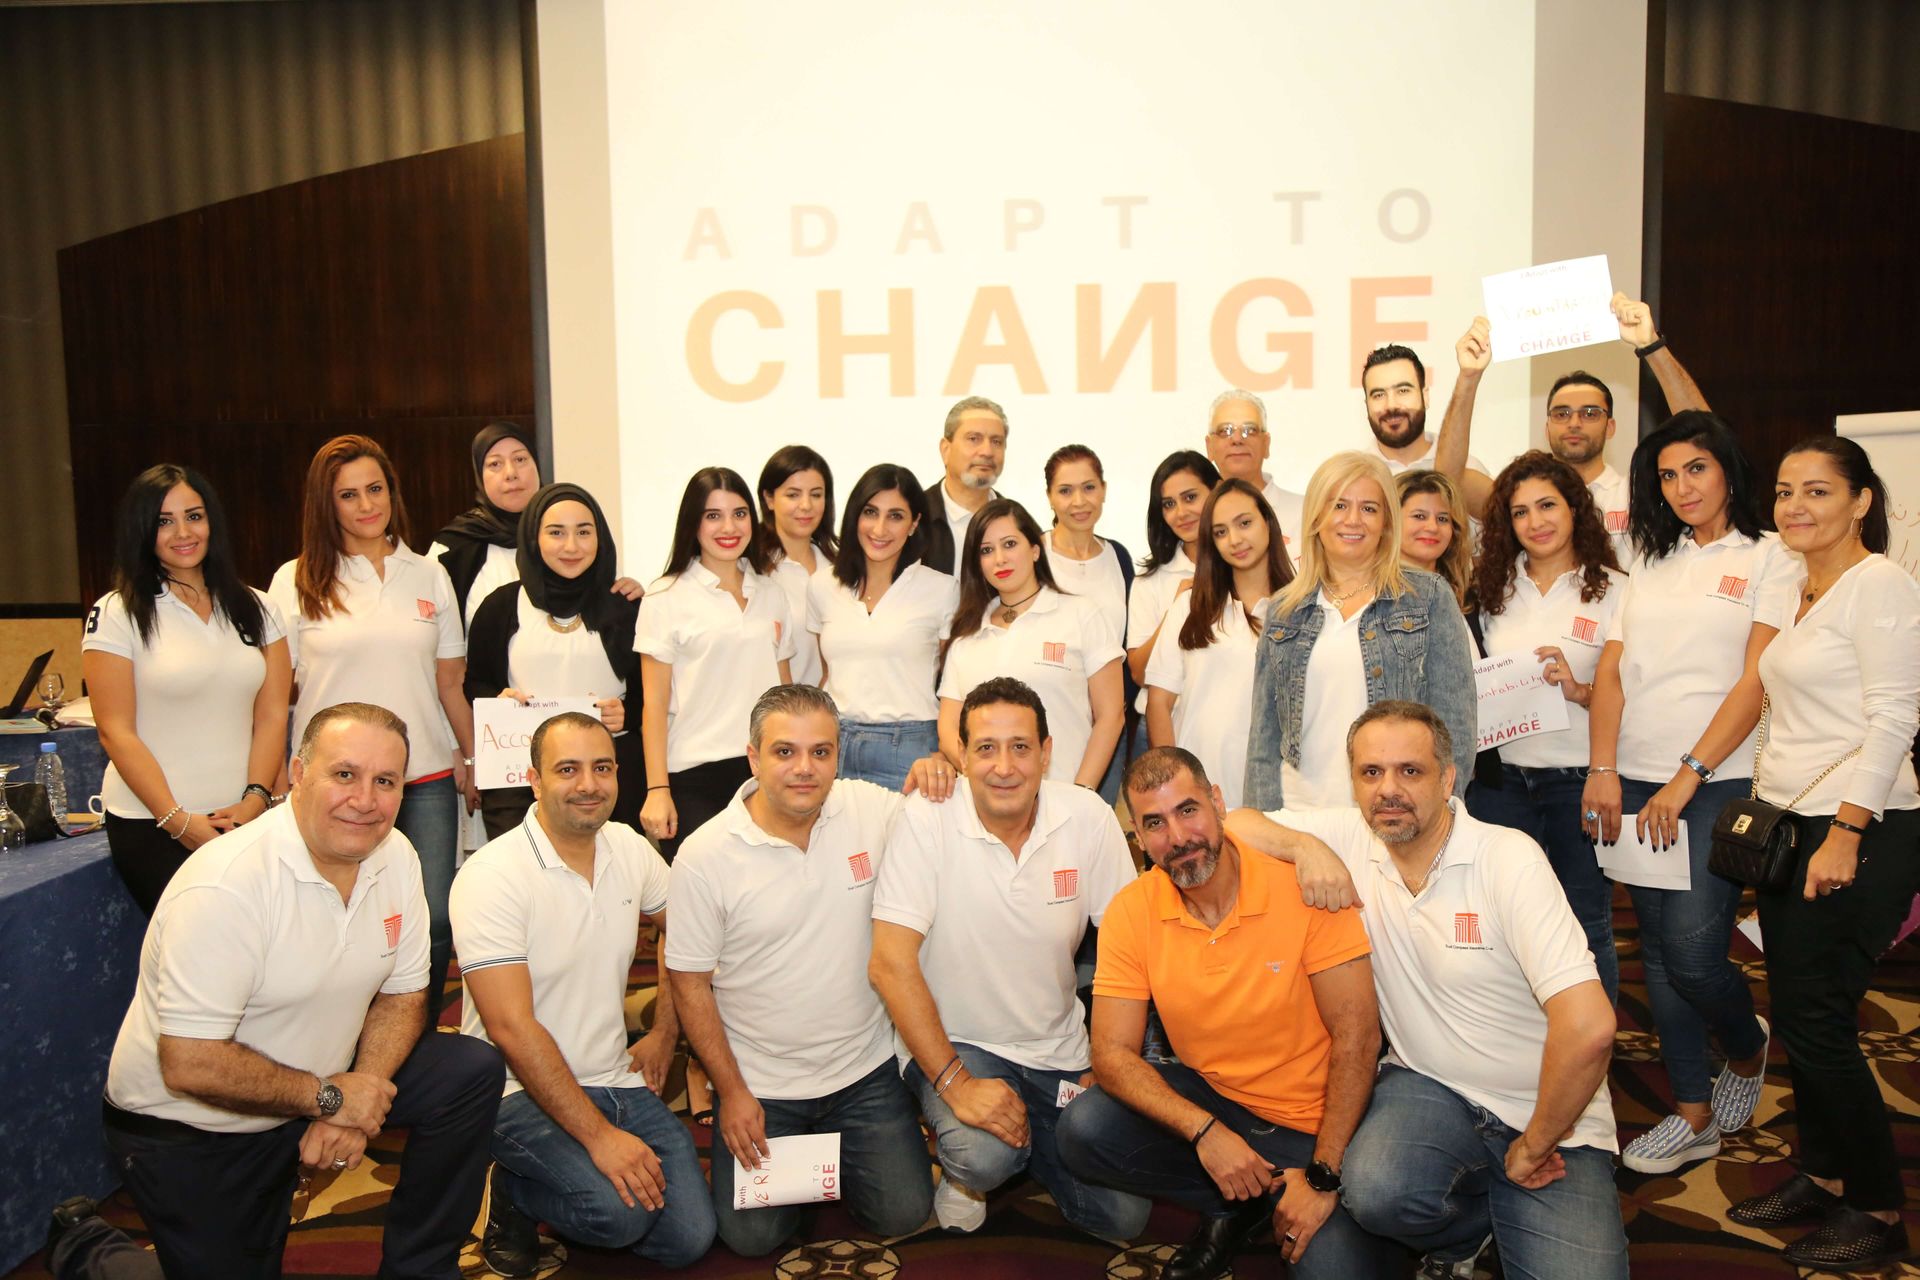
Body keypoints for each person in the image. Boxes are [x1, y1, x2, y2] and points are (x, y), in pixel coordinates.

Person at [79, 703, 504, 1280]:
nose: (365, 800)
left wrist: (358, 1095)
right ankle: (87, 1248)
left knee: (467, 1070)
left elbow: (404, 996)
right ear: (298, 775)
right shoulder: (226, 886)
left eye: (386, 781)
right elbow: (189, 1063)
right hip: (195, 1126)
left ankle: (422, 1269)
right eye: (344, 774)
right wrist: (329, 1099)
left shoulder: (395, 856)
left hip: (318, 1081)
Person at [1227, 701, 1628, 1279]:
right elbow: (1235, 823)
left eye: (1410, 772)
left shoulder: (1506, 858)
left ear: (1446, 778)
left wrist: (1537, 1143)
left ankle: (1507, 1194)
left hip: (1552, 1117)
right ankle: (1469, 1231)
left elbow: (1591, 1028)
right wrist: (1305, 848)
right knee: (1375, 1186)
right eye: (1371, 773)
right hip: (1431, 1093)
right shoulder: (1349, 836)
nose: (1389, 790)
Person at [1057, 748, 1394, 1280]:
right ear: (1139, 840)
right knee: (1084, 1126)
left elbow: (1358, 1038)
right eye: (1154, 823)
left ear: (1217, 803)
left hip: (1315, 1125)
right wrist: (1205, 1132)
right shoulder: (1131, 910)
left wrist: (1324, 1175)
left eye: (1188, 810)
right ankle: (1237, 1201)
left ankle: (1270, 1197)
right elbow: (1111, 1053)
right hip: (1217, 1103)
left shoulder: (1302, 886)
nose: (1177, 836)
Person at [1581, 410, 1797, 1174]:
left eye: (1695, 469)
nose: (1681, 487)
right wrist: (1603, 766)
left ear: (1728, 470)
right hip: (1634, 776)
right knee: (1662, 962)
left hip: (1718, 779)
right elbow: (1610, 671)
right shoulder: (1643, 557)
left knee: (1697, 953)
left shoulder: (1773, 557)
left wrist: (1686, 778)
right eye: (1667, 475)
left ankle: (1744, 1050)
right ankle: (1692, 1111)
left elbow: (1754, 682)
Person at [1725, 437, 1920, 1271]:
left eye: (1818, 491)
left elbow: (1894, 719)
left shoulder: (1879, 586)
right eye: (1783, 492)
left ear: (1861, 500)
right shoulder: (1805, 584)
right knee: (1806, 1017)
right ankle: (1823, 1170)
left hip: (1857, 833)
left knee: (1821, 1024)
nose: (1796, 506)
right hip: (1795, 827)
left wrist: (1844, 833)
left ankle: (1878, 1205)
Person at [870, 677, 1149, 1240]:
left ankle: (1030, 1141)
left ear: (1047, 754)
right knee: (981, 1154)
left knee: (1125, 1218)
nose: (1004, 766)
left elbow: (1130, 951)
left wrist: (1109, 1058)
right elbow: (889, 964)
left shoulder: (1087, 817)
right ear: (962, 755)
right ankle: (975, 1163)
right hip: (960, 1043)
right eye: (986, 748)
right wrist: (956, 1083)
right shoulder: (925, 817)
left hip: (1058, 1047)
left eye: (1021, 747)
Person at [667, 685, 936, 1257]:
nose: (804, 769)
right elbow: (689, 983)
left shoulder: (867, 809)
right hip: (763, 1087)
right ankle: (809, 1157)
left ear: (839, 755)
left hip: (864, 1073)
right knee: (751, 1240)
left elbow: (943, 817)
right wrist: (733, 1092)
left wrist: (940, 770)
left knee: (906, 1212)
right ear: (753, 758)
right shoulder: (705, 854)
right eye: (784, 752)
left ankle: (828, 1157)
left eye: (821, 752)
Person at [451, 711, 713, 1277]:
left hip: (613, 1075)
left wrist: (665, 1032)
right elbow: (511, 1029)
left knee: (689, 1237)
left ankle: (559, 1181)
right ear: (535, 781)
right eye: (567, 769)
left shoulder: (627, 847)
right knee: (615, 1216)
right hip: (511, 1089)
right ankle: (513, 1196)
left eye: (602, 768)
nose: (589, 785)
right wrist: (599, 1139)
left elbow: (689, 937)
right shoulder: (492, 874)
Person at [268, 434, 476, 1019]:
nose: (366, 505)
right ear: (325, 504)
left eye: (375, 489)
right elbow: (273, 694)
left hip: (426, 776)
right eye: (349, 495)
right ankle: (339, 1045)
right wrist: (269, 780)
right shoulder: (296, 579)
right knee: (338, 922)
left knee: (432, 922)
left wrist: (474, 759)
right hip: (333, 782)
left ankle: (414, 1048)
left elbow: (449, 683)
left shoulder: (429, 575)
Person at [84, 464, 291, 915]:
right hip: (152, 826)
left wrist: (255, 800)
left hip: (245, 821)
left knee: (258, 963)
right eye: (164, 520)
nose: (183, 532)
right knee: (196, 962)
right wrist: (177, 822)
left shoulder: (258, 607)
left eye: (194, 516)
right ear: (143, 529)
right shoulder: (117, 612)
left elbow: (273, 714)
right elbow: (115, 731)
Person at [1465, 452, 1627, 1004]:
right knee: (1507, 927)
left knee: (1586, 923)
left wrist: (1578, 690)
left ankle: (1593, 1061)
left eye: (1547, 506)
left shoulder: (1615, 591)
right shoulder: (1490, 591)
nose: (1535, 522)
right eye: (1519, 512)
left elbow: (1623, 692)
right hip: (1501, 785)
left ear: (1575, 508)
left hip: (1577, 780)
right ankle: (1529, 1051)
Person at [1242, 451, 1476, 811]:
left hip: (1398, 812)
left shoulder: (1427, 598)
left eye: (1369, 508)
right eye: (1339, 506)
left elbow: (1455, 723)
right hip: (1299, 814)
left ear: (1386, 521)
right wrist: (1262, 822)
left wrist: (1442, 812)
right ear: (1316, 517)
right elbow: (1263, 736)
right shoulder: (1283, 610)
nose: (1353, 520)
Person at [1432, 293, 1710, 565]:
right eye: (1562, 413)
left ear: (1610, 426)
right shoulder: (1519, 497)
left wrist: (1651, 346)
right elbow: (1448, 480)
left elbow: (1705, 437)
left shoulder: (1637, 492)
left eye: (1590, 413)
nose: (1574, 423)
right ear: (1547, 426)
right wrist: (1469, 376)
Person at [465, 484, 643, 839]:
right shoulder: (500, 606)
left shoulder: (627, 605)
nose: (571, 546)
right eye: (556, 533)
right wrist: (497, 702)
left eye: (583, 532)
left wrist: (628, 714)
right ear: (533, 538)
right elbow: (475, 682)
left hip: (609, 785)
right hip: (519, 784)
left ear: (601, 538)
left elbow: (654, 693)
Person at [635, 466, 796, 859]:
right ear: (693, 524)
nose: (729, 527)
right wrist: (658, 791)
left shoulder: (772, 593)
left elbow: (785, 695)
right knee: (701, 912)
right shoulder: (665, 597)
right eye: (713, 515)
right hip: (694, 778)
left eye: (740, 514)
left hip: (766, 774)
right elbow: (653, 708)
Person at [938, 499, 1124, 789]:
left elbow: (1111, 715)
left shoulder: (1082, 614)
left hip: (1065, 798)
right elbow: (948, 727)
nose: (999, 558)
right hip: (986, 804)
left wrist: (1082, 792)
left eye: (1010, 544)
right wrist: (982, 779)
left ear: (1035, 549)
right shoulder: (967, 634)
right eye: (986, 550)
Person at [1143, 479, 1293, 809]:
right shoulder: (1190, 607)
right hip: (1198, 791)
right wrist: (1172, 784)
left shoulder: (1301, 610)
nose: (1235, 540)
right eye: (1221, 532)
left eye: (1244, 523)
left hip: (1279, 792)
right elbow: (1158, 703)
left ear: (1268, 521)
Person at [808, 464, 958, 789]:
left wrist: (947, 752)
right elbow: (828, 673)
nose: (879, 528)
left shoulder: (943, 590)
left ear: (914, 523)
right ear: (854, 516)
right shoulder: (821, 586)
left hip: (909, 751)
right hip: (833, 747)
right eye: (870, 512)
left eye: (895, 516)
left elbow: (953, 684)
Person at [1041, 443, 1137, 798]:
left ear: (1104, 490)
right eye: (1065, 491)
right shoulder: (1033, 555)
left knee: (1092, 836)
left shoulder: (1119, 557)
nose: (1079, 501)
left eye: (1089, 487)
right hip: (1047, 728)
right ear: (1050, 497)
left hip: (1108, 730)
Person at [1126, 452, 1222, 761]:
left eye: (1190, 497)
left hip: (1229, 728)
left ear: (1217, 490)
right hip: (1158, 728)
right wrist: (1178, 610)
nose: (1181, 512)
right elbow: (1140, 673)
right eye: (1168, 504)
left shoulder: (1244, 567)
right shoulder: (1150, 581)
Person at [428, 421, 541, 626]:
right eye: (495, 464)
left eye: (520, 459)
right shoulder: (452, 548)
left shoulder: (567, 535)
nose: (511, 473)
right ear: (479, 475)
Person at [757, 444, 838, 686]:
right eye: (793, 495)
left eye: (816, 494)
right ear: (769, 499)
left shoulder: (841, 568)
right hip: (771, 716)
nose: (806, 505)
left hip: (836, 717)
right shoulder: (752, 570)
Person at [1358, 344, 1489, 487]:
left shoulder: (1468, 469)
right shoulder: (1353, 475)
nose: (1391, 405)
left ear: (1425, 396)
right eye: (1379, 395)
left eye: (1403, 391)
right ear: (1367, 405)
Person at [1203, 389, 1305, 557]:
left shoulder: (1306, 512)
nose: (1237, 439)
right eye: (1225, 431)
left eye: (1249, 430)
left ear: (1266, 444)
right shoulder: (1195, 515)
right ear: (1209, 447)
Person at [922, 395, 1009, 575]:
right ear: (946, 449)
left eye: (996, 442)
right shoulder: (913, 518)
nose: (987, 452)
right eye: (973, 439)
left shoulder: (1017, 523)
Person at [1393, 469, 1472, 607]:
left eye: (1442, 519)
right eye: (1419, 516)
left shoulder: (1468, 597)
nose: (1432, 527)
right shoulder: (1369, 594)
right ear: (1391, 522)